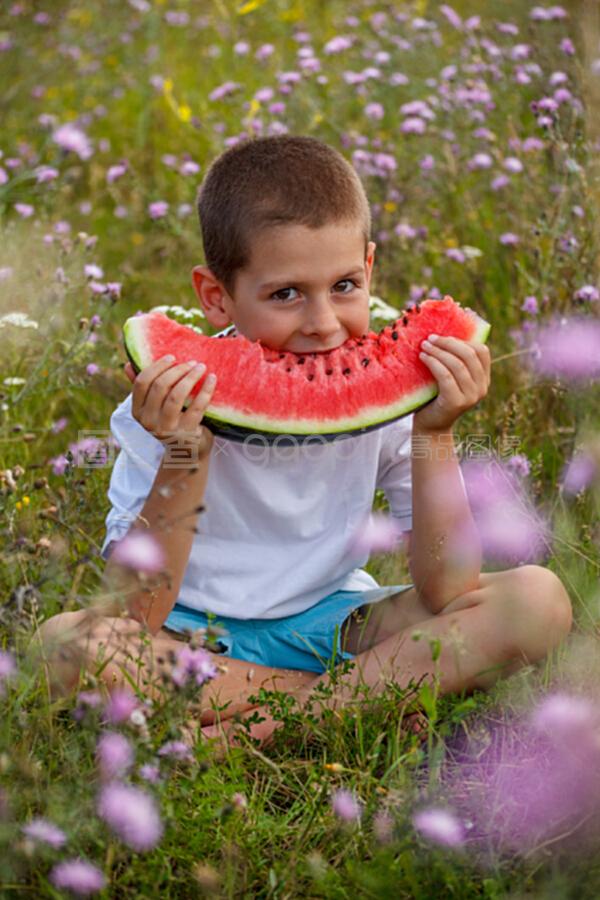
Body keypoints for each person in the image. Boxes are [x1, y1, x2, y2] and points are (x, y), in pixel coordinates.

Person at [36, 135, 572, 746]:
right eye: (286, 294)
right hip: (190, 638)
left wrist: (435, 433)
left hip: (336, 624)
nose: (322, 323)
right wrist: (186, 452)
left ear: (370, 268)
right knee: (67, 647)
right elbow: (137, 614)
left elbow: (447, 588)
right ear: (216, 296)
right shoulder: (160, 406)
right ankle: (359, 701)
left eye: (344, 285)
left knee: (538, 601)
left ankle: (252, 729)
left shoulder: (400, 392)